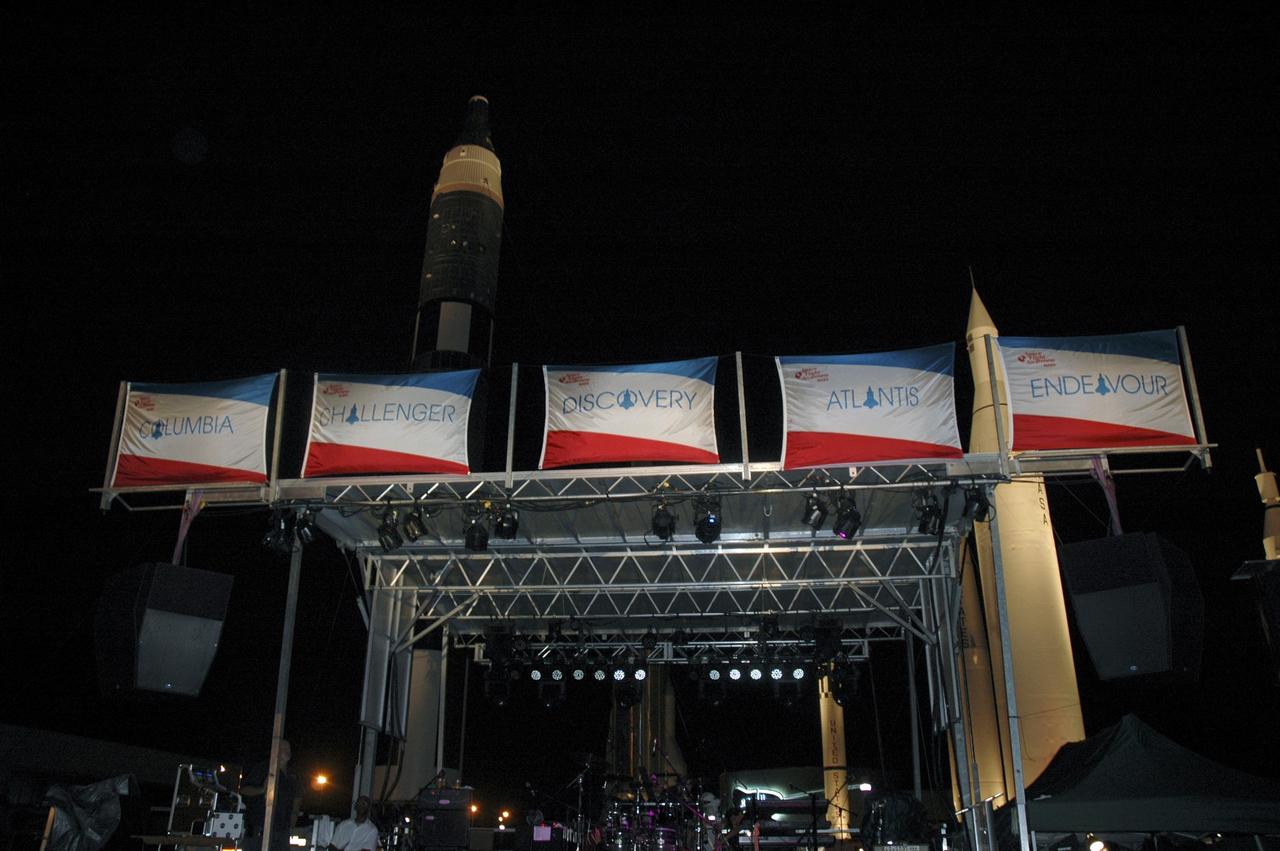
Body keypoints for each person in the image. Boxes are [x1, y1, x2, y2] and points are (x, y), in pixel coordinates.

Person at [240, 739, 301, 851]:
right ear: (275, 751)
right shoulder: (263, 768)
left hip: (282, 832)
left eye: (288, 748)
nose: (287, 751)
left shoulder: (293, 775)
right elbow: (244, 789)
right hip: (260, 829)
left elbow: (297, 796)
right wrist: (261, 790)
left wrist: (294, 817)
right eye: (283, 749)